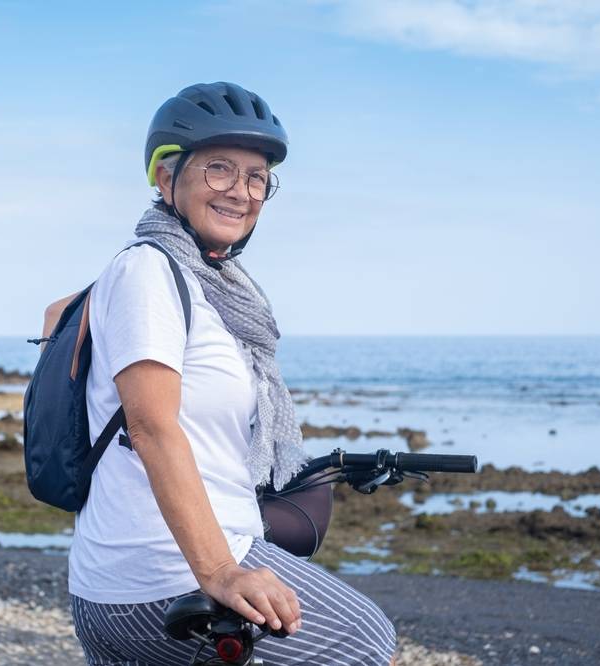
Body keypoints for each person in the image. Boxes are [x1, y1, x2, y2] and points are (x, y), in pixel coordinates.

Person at [67, 82, 397, 665]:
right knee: (364, 640)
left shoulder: (206, 287)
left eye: (255, 177)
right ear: (167, 179)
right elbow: (151, 426)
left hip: (125, 577)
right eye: (218, 169)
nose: (240, 192)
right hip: (164, 577)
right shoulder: (149, 270)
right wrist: (220, 571)